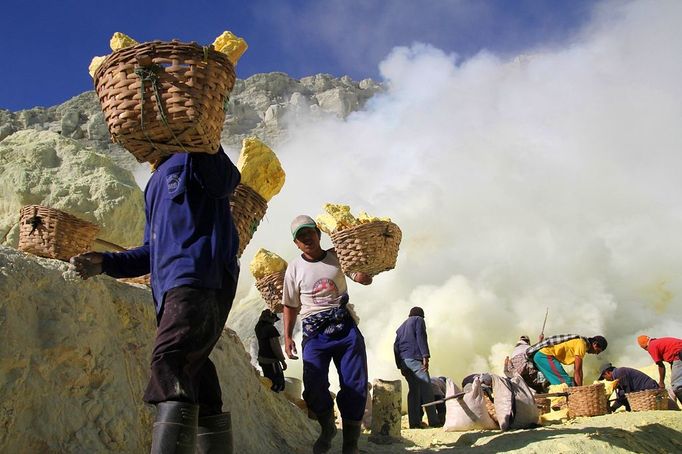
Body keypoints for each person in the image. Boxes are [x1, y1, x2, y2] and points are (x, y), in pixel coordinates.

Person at [70, 147, 240, 454]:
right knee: (196, 374)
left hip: (199, 277)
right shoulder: (154, 183)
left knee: (170, 360)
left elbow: (227, 181)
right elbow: (151, 251)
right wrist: (106, 262)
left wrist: (203, 142)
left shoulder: (194, 155)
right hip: (171, 291)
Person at [282, 215, 372, 454]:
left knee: (355, 384)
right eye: (301, 236)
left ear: (318, 234)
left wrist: (363, 277)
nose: (306, 238)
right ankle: (327, 427)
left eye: (309, 232)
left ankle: (350, 444)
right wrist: (288, 336)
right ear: (297, 244)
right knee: (313, 386)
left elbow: (358, 274)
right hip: (314, 334)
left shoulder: (337, 255)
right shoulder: (294, 268)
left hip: (345, 329)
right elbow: (290, 305)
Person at [394, 307, 440, 428]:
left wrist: (400, 365)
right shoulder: (418, 320)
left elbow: (395, 347)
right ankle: (434, 421)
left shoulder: (400, 328)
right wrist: (425, 356)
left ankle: (414, 423)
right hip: (415, 359)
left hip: (404, 361)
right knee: (427, 389)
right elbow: (421, 336)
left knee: (414, 391)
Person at [526, 334, 607, 386]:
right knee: (566, 384)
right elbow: (577, 370)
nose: (596, 354)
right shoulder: (582, 344)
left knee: (560, 384)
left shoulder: (581, 343)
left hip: (541, 356)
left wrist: (579, 386)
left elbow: (577, 370)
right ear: (595, 344)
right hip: (545, 356)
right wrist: (579, 390)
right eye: (598, 351)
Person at [638, 335, 682, 402]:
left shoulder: (651, 347)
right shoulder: (657, 342)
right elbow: (671, 360)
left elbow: (661, 366)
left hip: (679, 354)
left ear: (644, 347)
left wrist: (661, 382)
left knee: (676, 385)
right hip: (678, 354)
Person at [255, 308, 287, 392]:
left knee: (268, 380)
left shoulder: (258, 327)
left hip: (262, 359)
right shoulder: (271, 329)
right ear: (269, 318)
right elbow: (276, 347)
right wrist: (282, 361)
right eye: (274, 319)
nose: (274, 322)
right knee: (278, 384)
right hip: (271, 361)